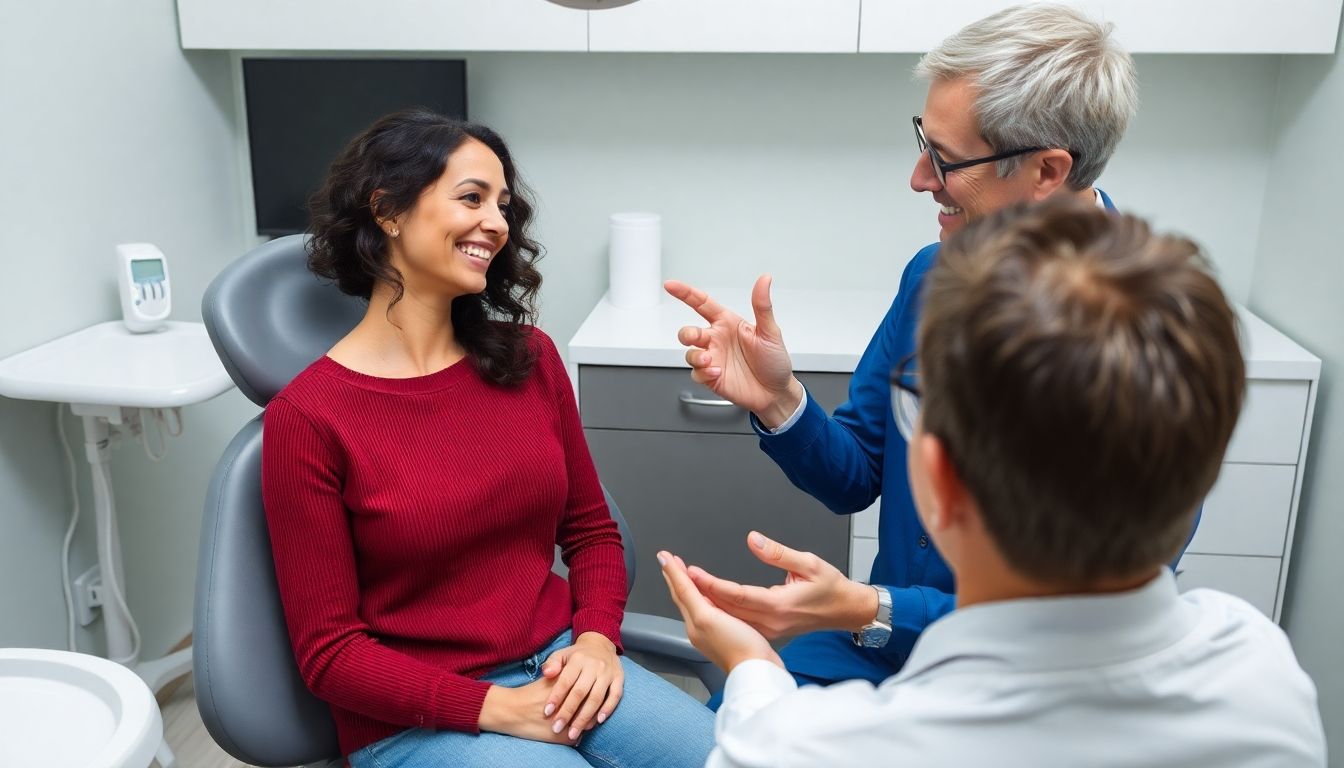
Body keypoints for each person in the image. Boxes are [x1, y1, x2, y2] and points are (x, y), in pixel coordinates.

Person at [661, 199, 1327, 766]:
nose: (922, 177)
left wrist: (751, 668)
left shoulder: (821, 748)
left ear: (941, 483)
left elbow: (771, 744)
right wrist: (780, 404)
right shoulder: (1268, 672)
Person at [663, 3, 1203, 696]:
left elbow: (1087, 620)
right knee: (735, 723)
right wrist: (778, 402)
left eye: (946, 159)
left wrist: (869, 606)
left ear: (1046, 171)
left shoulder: (1152, 334)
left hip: (1028, 687)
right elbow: (855, 475)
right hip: (885, 647)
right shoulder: (931, 276)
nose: (919, 178)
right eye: (924, 141)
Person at [261, 109, 713, 767]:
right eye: (471, 198)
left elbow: (590, 531)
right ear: (387, 210)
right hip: (415, 717)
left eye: (503, 204)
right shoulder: (309, 418)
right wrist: (497, 709)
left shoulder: (529, 359)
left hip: (561, 664)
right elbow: (330, 654)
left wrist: (593, 642)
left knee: (741, 754)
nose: (498, 223)